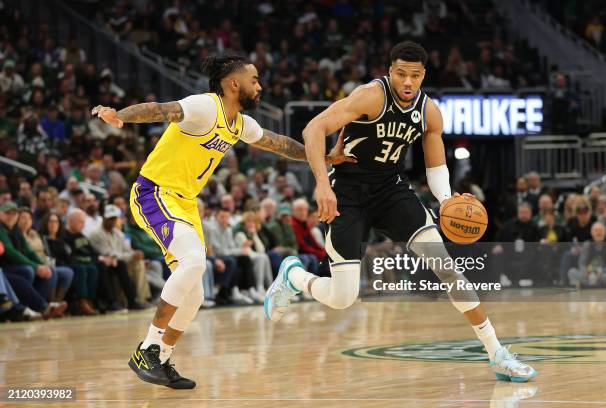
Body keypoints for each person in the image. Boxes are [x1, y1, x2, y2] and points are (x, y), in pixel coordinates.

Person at [264, 41, 537, 382]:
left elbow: (435, 167)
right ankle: (293, 276)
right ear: (390, 72)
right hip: (347, 193)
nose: (408, 82)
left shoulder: (429, 111)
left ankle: (497, 353)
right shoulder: (370, 96)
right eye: (401, 74)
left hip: (391, 191)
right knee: (342, 297)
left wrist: (448, 200)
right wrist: (322, 182)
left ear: (424, 75)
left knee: (447, 268)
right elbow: (313, 129)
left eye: (416, 76)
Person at [92, 54, 353, 388]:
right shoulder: (205, 107)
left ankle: (163, 357)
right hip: (154, 192)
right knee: (194, 261)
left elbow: (283, 145)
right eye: (254, 80)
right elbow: (161, 109)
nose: (259, 86)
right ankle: (148, 348)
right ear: (234, 83)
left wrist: (328, 157)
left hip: (184, 203)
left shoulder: (240, 124)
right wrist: (120, 117)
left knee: (195, 293)